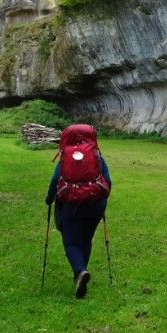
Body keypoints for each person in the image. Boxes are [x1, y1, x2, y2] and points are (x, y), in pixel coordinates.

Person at [45, 124, 111, 298]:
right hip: (95, 203)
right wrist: (101, 198)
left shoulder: (65, 156)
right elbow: (108, 180)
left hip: (71, 205)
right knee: (85, 239)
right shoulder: (96, 155)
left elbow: (54, 181)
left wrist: (48, 199)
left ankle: (80, 271)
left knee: (72, 243)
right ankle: (79, 275)